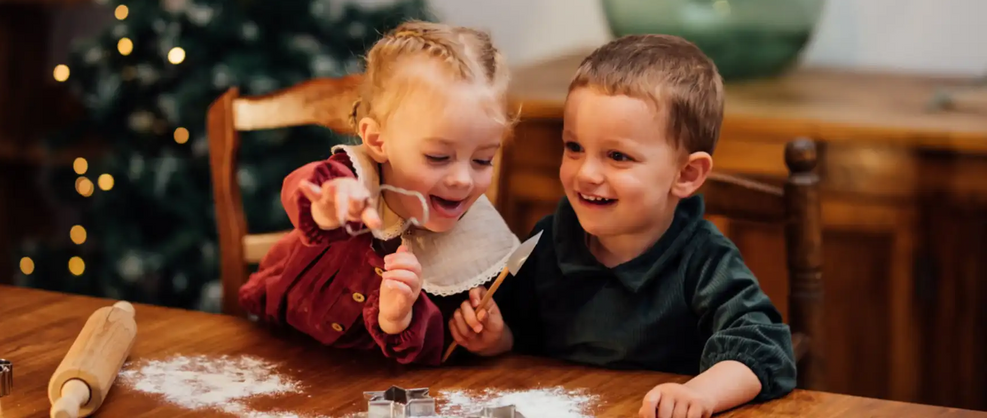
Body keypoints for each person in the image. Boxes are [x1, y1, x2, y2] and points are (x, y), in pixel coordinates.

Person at [448, 34, 797, 417]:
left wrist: (701, 394)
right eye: (574, 147)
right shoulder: (545, 242)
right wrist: (496, 337)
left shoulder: (705, 259)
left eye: (617, 156)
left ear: (686, 174)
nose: (586, 173)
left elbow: (764, 349)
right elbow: (520, 337)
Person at [240, 21, 522, 366]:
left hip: (364, 380)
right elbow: (306, 188)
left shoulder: (480, 245)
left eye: (482, 160)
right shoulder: (353, 177)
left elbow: (448, 352)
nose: (463, 180)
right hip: (276, 342)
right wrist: (327, 207)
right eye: (438, 157)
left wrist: (492, 340)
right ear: (377, 140)